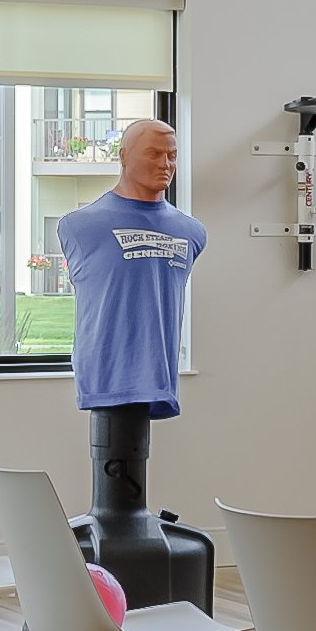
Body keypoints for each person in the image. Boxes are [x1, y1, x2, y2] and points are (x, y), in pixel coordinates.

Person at [57, 118, 204, 428]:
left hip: (160, 379)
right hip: (106, 377)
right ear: (124, 157)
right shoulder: (80, 226)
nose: (165, 163)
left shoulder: (192, 232)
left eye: (172, 155)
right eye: (153, 153)